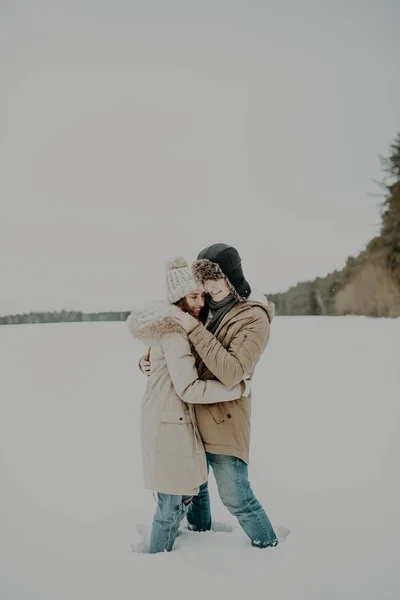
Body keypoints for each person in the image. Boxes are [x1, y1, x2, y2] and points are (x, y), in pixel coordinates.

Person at [140, 243, 281, 549]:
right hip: (190, 418)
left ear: (232, 277)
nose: (208, 288)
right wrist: (149, 358)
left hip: (223, 416)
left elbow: (231, 372)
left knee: (236, 496)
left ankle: (268, 548)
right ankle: (199, 540)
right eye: (203, 281)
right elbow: (178, 347)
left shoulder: (253, 318)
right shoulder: (204, 307)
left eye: (215, 279)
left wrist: (192, 327)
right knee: (194, 487)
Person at [127, 256, 248, 554]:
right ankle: (159, 564)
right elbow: (190, 389)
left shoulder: (182, 326)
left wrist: (146, 360)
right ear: (178, 299)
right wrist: (236, 387)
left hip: (175, 422)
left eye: (202, 296)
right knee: (169, 505)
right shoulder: (175, 332)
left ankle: (198, 544)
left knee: (186, 492)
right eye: (194, 297)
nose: (201, 302)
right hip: (168, 424)